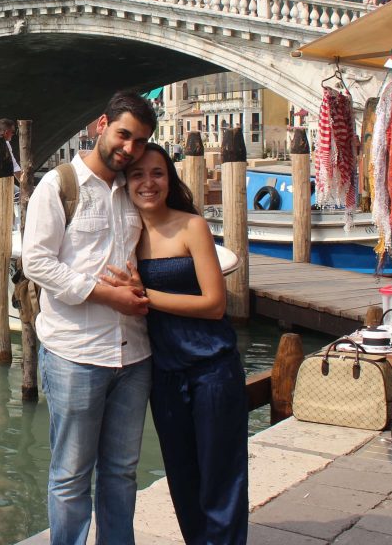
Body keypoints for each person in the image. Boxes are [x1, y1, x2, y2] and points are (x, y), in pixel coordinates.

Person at [21, 91, 157, 545]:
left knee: (121, 472)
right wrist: (107, 296)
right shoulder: (59, 185)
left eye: (140, 142)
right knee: (71, 475)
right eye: (124, 135)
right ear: (101, 125)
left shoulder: (135, 189)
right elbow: (36, 263)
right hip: (75, 353)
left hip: (134, 353)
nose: (130, 149)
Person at [102, 144, 248, 544]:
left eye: (157, 173)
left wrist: (144, 295)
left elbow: (214, 304)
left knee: (221, 476)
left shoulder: (191, 227)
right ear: (125, 183)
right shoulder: (125, 237)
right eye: (137, 175)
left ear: (170, 179)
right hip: (164, 373)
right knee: (182, 479)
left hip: (212, 369)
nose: (148, 183)